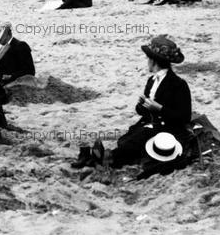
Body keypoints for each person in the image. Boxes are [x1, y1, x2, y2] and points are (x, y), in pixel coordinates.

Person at [72, 36, 191, 169]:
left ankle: (98, 159)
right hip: (150, 124)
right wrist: (142, 105)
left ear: (154, 61)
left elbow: (185, 117)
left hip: (168, 130)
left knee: (133, 144)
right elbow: (142, 111)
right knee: (125, 141)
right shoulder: (152, 81)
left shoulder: (178, 84)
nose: (147, 62)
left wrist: (159, 108)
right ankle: (95, 158)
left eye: (148, 59)